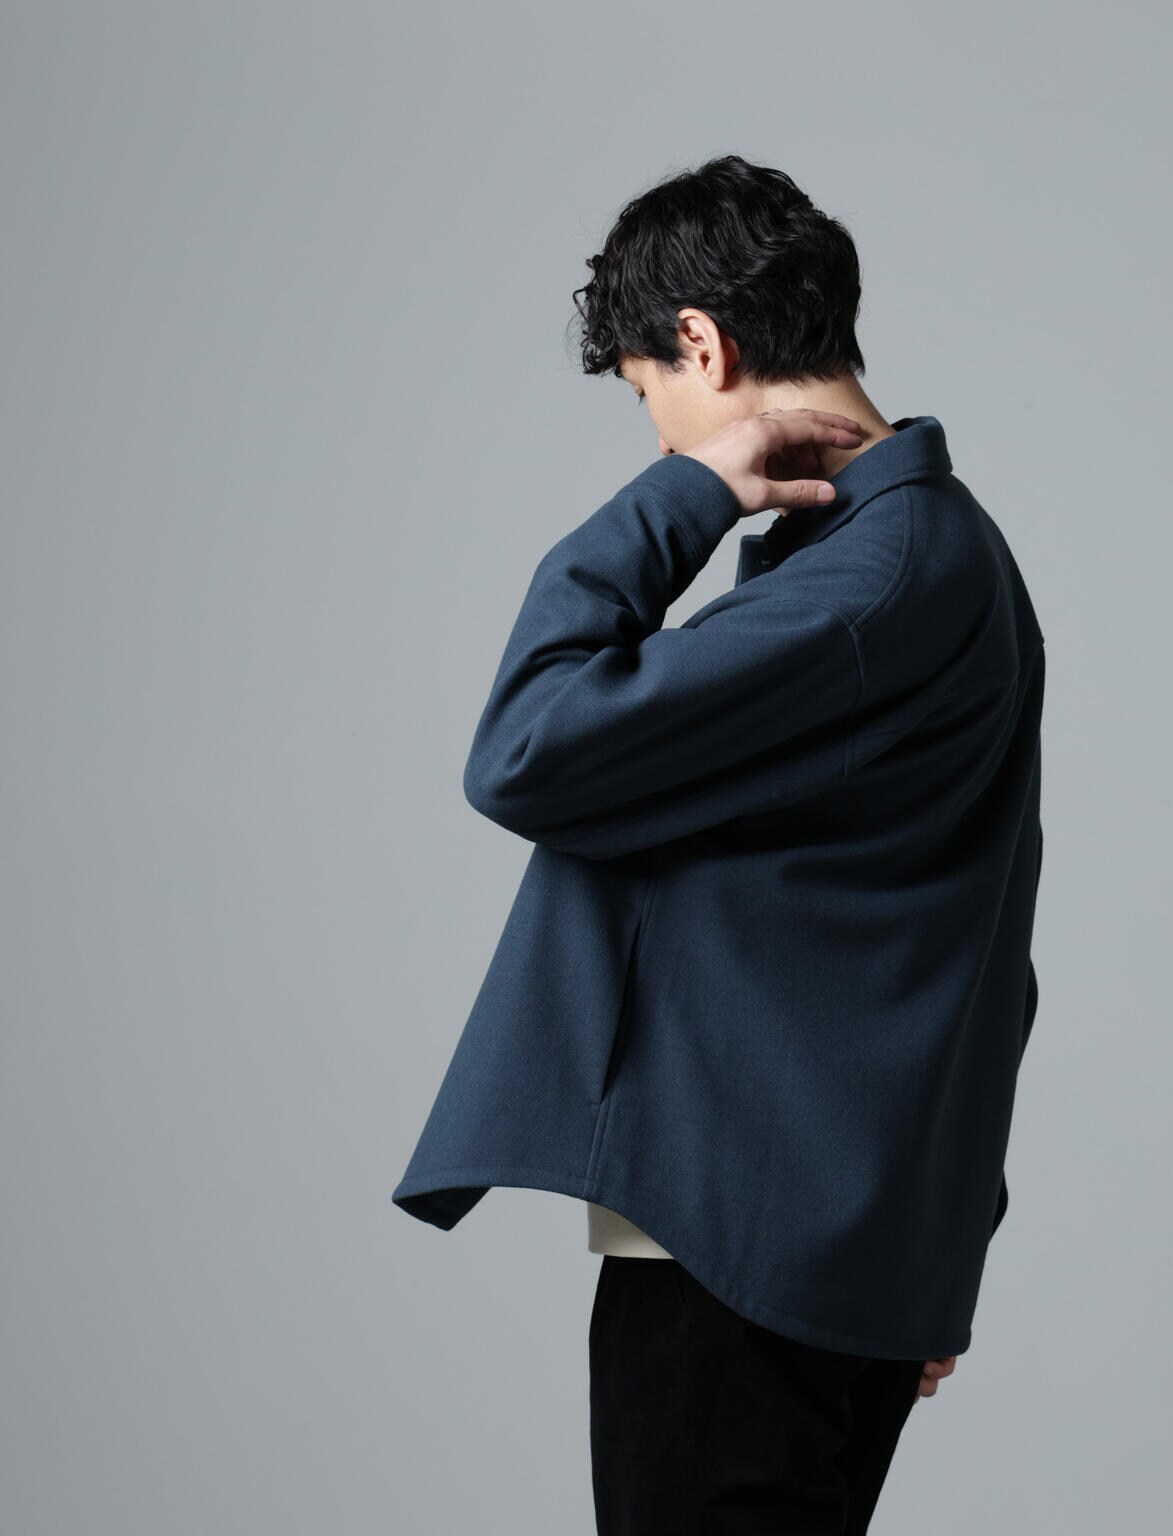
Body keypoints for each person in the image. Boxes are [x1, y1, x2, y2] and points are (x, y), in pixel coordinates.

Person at [391, 153, 1044, 1533]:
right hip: (812, 1242)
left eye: (651, 398)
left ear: (705, 344)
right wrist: (931, 1245)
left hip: (743, 1251)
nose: (661, 442)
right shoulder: (929, 555)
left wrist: (687, 499)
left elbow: (525, 746)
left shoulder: (869, 581)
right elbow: (983, 934)